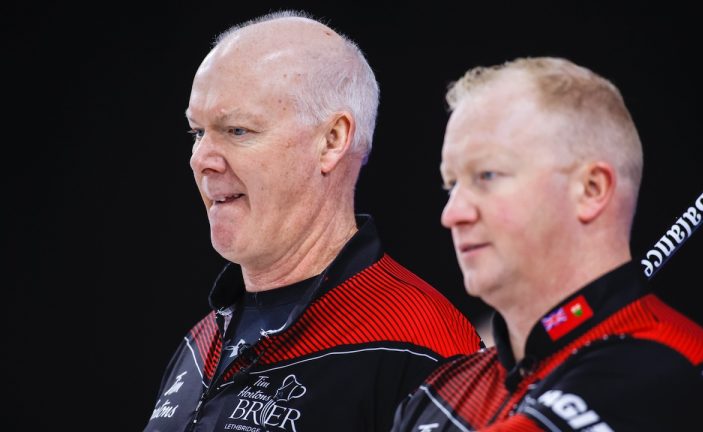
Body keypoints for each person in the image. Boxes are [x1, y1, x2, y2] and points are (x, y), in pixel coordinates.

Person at [143, 11, 481, 432]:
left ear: (332, 141)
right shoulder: (201, 340)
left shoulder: (421, 347)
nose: (201, 160)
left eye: (237, 130)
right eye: (197, 132)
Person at [391, 57, 703, 431]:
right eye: (451, 184)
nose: (452, 213)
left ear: (591, 190)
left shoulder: (665, 369)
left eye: (486, 175)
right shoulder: (439, 389)